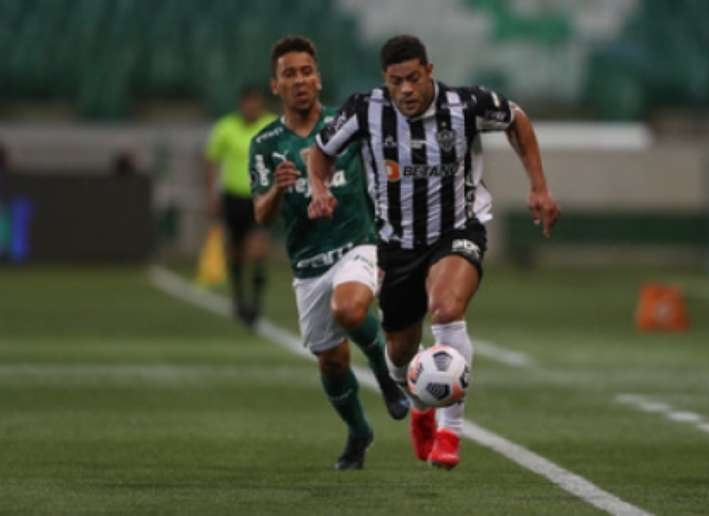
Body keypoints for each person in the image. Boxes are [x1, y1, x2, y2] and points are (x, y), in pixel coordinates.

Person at [308, 35, 559, 469]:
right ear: (384, 81)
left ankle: (450, 432)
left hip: (458, 228)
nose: (405, 90)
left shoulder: (468, 104)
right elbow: (322, 151)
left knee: (445, 308)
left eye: (413, 79)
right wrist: (318, 188)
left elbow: (517, 119)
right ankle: (420, 404)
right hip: (397, 244)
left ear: (430, 71)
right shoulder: (364, 110)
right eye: (395, 82)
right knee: (400, 352)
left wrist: (538, 186)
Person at [250, 36, 409, 470]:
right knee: (332, 362)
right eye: (289, 74)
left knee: (350, 309)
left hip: (358, 242)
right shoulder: (266, 144)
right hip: (307, 264)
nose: (299, 80)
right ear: (275, 85)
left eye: (306, 72)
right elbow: (261, 216)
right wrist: (277, 191)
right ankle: (359, 432)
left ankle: (386, 376)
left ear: (318, 79)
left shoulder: (348, 124)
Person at [205, 85, 276, 326]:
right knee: (234, 249)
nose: (251, 108)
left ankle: (255, 304)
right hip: (232, 196)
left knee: (257, 248)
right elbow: (212, 161)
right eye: (247, 103)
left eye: (256, 103)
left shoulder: (273, 126)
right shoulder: (226, 127)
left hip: (261, 197)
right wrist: (212, 194)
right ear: (241, 104)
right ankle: (238, 298)